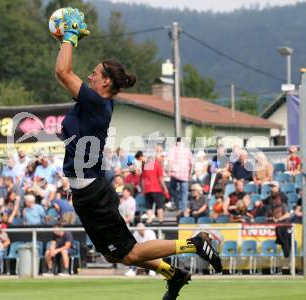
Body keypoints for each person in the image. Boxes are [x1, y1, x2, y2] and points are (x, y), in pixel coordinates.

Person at [54, 8, 222, 300]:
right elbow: (66, 74)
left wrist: (68, 37)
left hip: (92, 193)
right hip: (86, 193)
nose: (89, 76)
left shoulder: (96, 103)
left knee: (130, 252)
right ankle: (175, 274)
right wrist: (63, 41)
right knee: (116, 256)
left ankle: (194, 244)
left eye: (94, 73)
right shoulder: (91, 103)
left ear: (105, 83)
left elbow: (62, 72)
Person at [168, 138, 193, 214]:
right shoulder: (187, 150)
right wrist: (190, 173)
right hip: (184, 174)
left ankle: (178, 205)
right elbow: (191, 163)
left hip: (175, 173)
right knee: (184, 192)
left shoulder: (173, 149)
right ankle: (184, 209)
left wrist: (169, 171)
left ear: (176, 142)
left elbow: (170, 160)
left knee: (172, 190)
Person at [142, 154, 168, 224]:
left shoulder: (146, 166)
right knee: (159, 205)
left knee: (149, 206)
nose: (162, 159)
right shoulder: (158, 165)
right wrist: (165, 189)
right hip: (156, 188)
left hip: (147, 189)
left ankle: (150, 220)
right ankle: (160, 220)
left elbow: (143, 179)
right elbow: (161, 179)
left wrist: (143, 190)